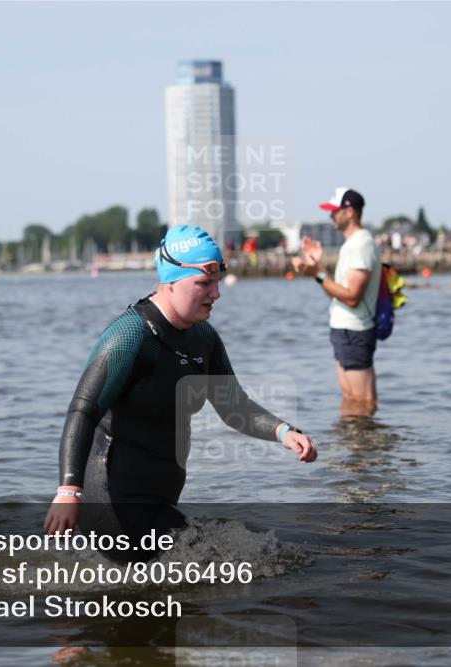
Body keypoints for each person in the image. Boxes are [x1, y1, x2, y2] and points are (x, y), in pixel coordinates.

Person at [44, 225, 317, 557]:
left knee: (241, 561)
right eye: (204, 283)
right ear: (170, 283)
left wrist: (285, 432)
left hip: (159, 499)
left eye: (216, 282)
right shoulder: (130, 336)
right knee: (247, 560)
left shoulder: (203, 337)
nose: (216, 294)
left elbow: (233, 407)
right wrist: (69, 492)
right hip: (113, 502)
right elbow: (82, 410)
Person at [291, 188, 382, 415]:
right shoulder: (351, 244)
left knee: (363, 400)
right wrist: (318, 268)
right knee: (351, 398)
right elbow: (337, 294)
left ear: (349, 211)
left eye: (335, 211)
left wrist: (317, 273)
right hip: (344, 330)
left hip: (355, 331)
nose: (331, 216)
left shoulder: (361, 244)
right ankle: (351, 447)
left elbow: (352, 297)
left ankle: (365, 447)